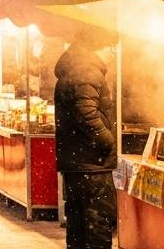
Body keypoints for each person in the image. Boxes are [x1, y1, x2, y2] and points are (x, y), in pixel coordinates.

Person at [55, 27, 117, 249]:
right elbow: (86, 112)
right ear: (98, 46)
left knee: (79, 223)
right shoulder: (86, 70)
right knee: (96, 224)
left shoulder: (75, 67)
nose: (113, 54)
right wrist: (107, 141)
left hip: (78, 160)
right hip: (91, 162)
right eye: (111, 47)